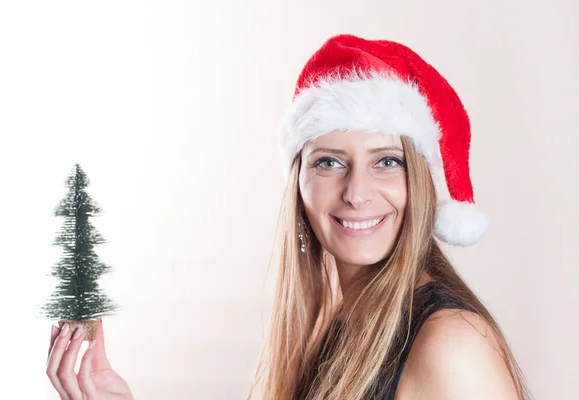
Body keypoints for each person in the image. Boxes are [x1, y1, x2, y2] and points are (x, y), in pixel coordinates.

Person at [46, 34, 532, 399]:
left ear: (421, 185)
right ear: (298, 184)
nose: (357, 193)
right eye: (329, 162)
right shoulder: (327, 320)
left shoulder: (450, 344)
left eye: (387, 161)